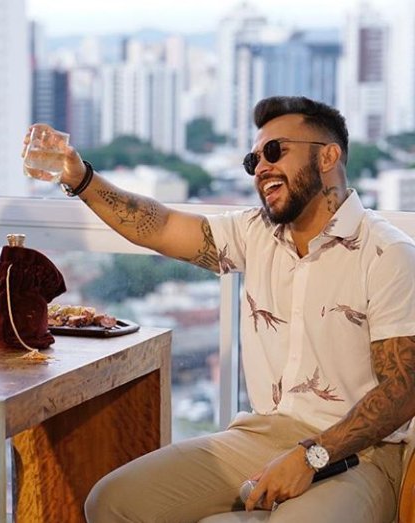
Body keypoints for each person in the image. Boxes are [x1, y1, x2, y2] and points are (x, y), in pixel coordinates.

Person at [31, 96, 415, 522]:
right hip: (263, 436)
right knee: (112, 501)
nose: (261, 168)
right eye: (254, 160)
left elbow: (403, 391)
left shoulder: (388, 254)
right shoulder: (255, 232)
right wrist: (81, 178)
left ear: (328, 156)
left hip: (360, 454)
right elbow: (158, 226)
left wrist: (310, 456)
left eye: (275, 151)